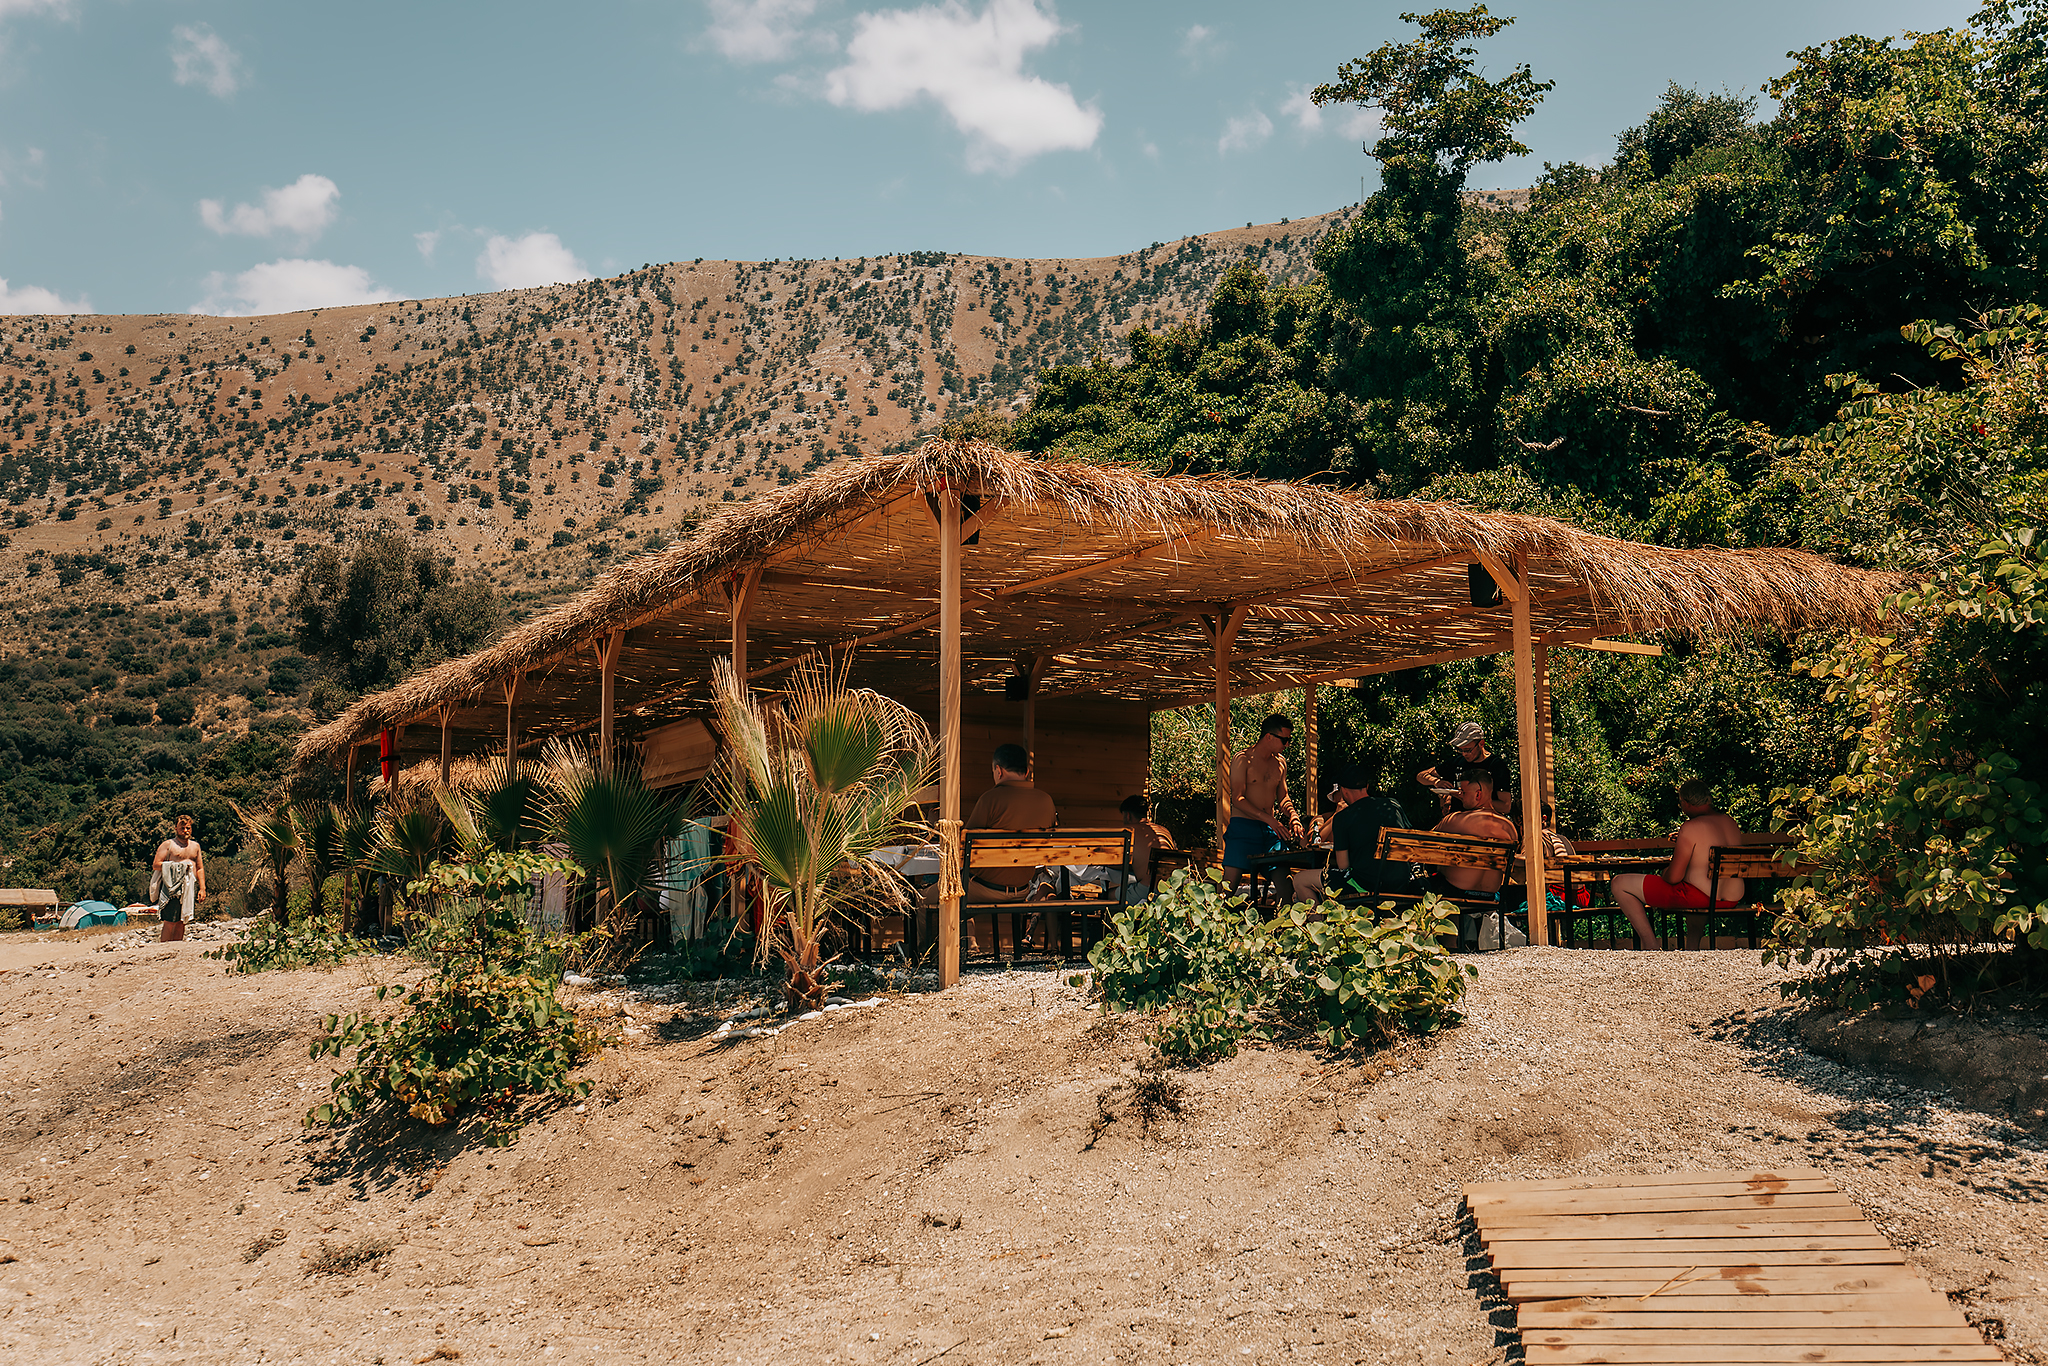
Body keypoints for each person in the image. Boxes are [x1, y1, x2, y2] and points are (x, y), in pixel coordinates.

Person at [1610, 779, 1747, 951]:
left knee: (1619, 883)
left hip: (1701, 897)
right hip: (1732, 898)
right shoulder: (1730, 822)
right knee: (1694, 888)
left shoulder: (1690, 827)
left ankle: (1651, 946)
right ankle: (1692, 949)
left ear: (1686, 803)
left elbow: (1674, 877)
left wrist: (1664, 872)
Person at [1430, 768, 1520, 951]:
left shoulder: (1455, 821)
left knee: (1429, 883)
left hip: (1456, 893)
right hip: (1491, 896)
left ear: (1478, 794)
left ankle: (1448, 944)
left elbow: (1424, 843)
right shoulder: (1510, 828)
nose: (1459, 796)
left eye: (1463, 792)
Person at [1221, 714, 1302, 889]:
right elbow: (1238, 799)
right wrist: (1270, 820)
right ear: (1269, 737)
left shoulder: (1280, 763)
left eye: (1289, 740)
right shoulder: (1242, 759)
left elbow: (1283, 797)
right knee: (1228, 887)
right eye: (1284, 740)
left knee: (1285, 884)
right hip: (1243, 826)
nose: (1287, 744)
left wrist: (1293, 816)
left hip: (1269, 831)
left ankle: (1285, 914)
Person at [1323, 765, 1419, 903]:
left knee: (1302, 881)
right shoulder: (1393, 805)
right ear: (1366, 786)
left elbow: (1343, 866)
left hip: (1365, 885)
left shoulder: (1342, 817)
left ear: (1343, 791)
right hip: (1401, 884)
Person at [1416, 721, 1512, 817]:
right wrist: (1436, 782)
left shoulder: (1496, 766)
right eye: (1460, 750)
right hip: (1457, 820)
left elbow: (1505, 806)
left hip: (1484, 822)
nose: (1464, 754)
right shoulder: (1457, 762)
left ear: (1481, 744)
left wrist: (1470, 799)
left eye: (1468, 750)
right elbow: (1421, 776)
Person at [149, 813, 207, 943]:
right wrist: (178, 867)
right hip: (172, 887)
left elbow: (199, 868)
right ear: (176, 828)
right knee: (170, 920)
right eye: (182, 828)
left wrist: (202, 888)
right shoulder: (168, 845)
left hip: (189, 886)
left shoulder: (195, 846)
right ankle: (164, 948)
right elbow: (156, 864)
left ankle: (177, 948)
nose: (186, 831)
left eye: (188, 828)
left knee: (182, 920)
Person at [1117, 794, 1175, 902]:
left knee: (1110, 895)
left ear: (1128, 815)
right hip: (1169, 887)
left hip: (1148, 889)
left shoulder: (1130, 831)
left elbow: (1117, 861)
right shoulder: (1164, 831)